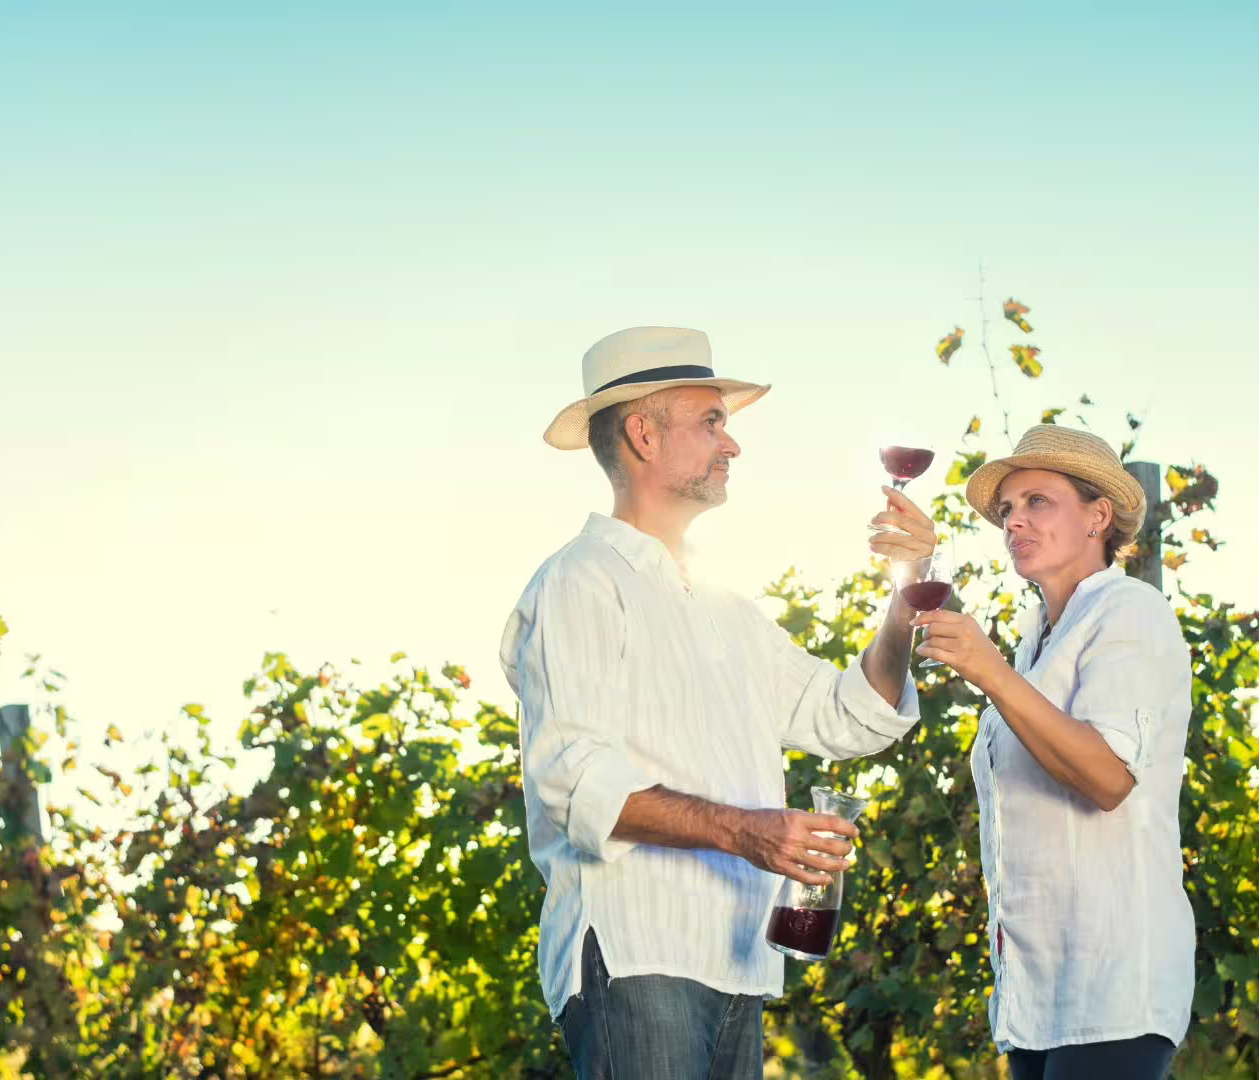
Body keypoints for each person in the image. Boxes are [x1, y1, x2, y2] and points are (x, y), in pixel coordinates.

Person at [501, 326, 933, 1080]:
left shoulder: (726, 608)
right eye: (711, 422)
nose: (731, 446)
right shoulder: (580, 581)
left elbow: (850, 713)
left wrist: (908, 589)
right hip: (639, 952)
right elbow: (575, 783)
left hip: (738, 962)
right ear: (642, 433)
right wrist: (747, 832)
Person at [907, 424, 1195, 1080]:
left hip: (1113, 977)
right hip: (1036, 986)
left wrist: (991, 675)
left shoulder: (1131, 612)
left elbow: (1108, 777)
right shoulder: (1036, 642)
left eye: (1038, 501)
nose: (1016, 522)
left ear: (1099, 516)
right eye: (1007, 510)